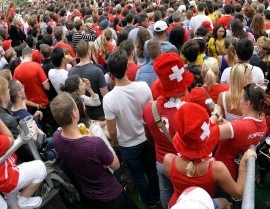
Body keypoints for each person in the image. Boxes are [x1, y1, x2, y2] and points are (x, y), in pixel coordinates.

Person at [51, 93, 136, 209]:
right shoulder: (94, 143)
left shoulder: (56, 138)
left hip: (89, 195)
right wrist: (93, 139)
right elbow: (116, 165)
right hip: (111, 196)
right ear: (74, 113)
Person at [164, 102, 256, 208]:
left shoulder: (168, 160)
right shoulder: (217, 168)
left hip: (177, 204)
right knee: (225, 202)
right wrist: (243, 164)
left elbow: (197, 133)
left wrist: (215, 115)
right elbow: (238, 192)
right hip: (204, 204)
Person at [103, 49, 160, 207]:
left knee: (138, 174)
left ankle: (148, 200)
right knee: (151, 170)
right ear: (126, 68)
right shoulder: (143, 87)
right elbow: (150, 113)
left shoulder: (108, 99)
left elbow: (112, 130)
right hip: (147, 138)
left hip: (128, 144)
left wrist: (118, 141)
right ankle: (155, 197)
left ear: (111, 73)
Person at [142, 52, 193, 209]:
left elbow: (148, 136)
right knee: (186, 195)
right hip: (182, 164)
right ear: (178, 90)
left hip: (161, 161)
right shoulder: (188, 111)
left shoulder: (148, 109)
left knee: (165, 190)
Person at [0, 77, 47, 208]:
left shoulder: (8, 113)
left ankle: (17, 204)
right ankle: (23, 200)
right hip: (8, 175)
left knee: (11, 203)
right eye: (7, 91)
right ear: (3, 96)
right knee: (40, 168)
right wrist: (36, 133)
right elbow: (11, 141)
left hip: (7, 173)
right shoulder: (7, 120)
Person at [213, 83, 270, 179]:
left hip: (223, 169)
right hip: (240, 168)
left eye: (241, 98)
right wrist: (228, 124)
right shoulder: (263, 120)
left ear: (248, 103)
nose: (239, 101)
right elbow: (242, 133)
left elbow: (207, 134)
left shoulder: (238, 127)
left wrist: (215, 113)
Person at [68, 40, 108, 120]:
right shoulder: (97, 70)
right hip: (99, 113)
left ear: (77, 54)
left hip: (83, 115)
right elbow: (105, 95)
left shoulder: (71, 72)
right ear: (89, 51)